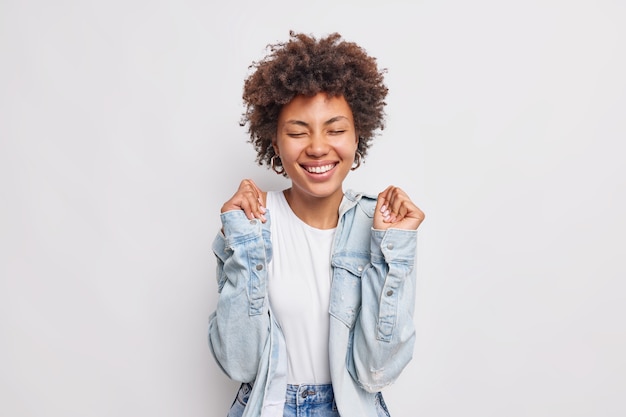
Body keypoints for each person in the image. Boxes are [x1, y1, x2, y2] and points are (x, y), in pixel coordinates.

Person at [208, 31, 425, 417]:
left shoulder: (379, 226)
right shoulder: (253, 223)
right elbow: (239, 363)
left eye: (336, 129)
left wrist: (394, 249)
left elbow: (378, 370)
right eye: (297, 131)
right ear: (274, 142)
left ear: (358, 136)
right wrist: (240, 239)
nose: (318, 146)